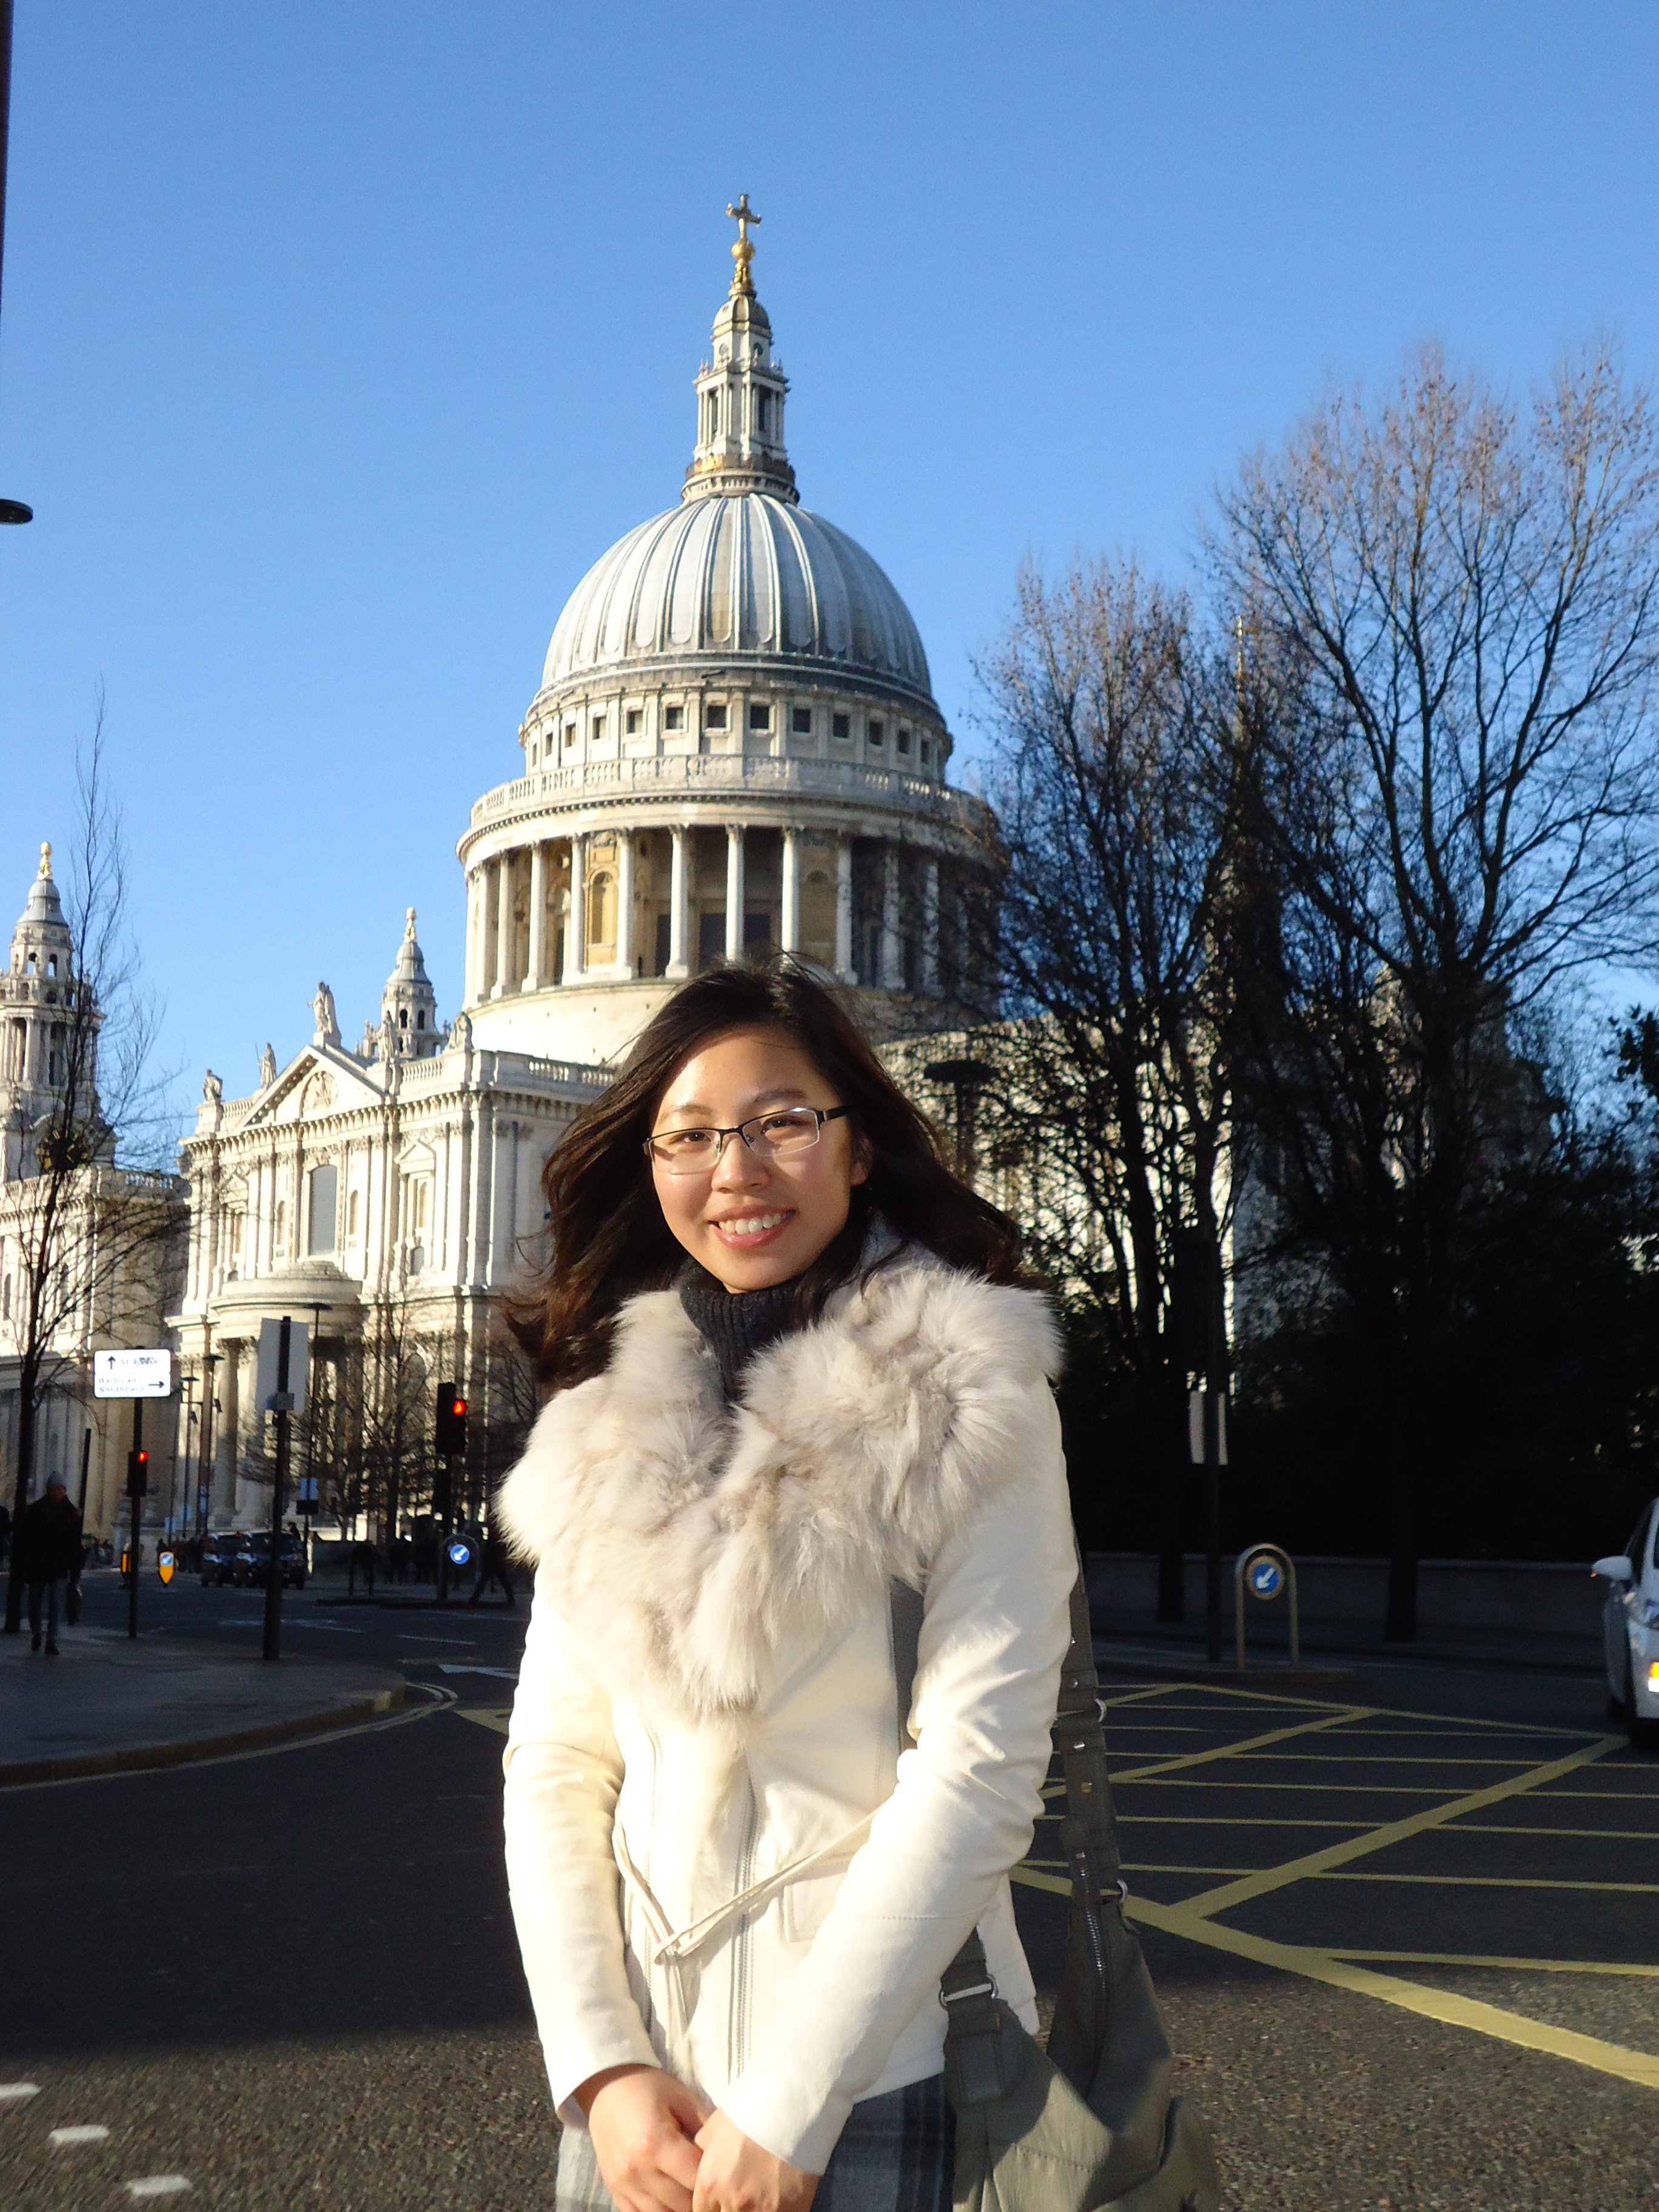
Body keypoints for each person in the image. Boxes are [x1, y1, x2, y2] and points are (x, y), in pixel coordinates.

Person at [497, 962, 1073, 2212]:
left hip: (881, 2082)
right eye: (691, 1135)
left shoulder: (972, 1390)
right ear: (650, 1163)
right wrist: (599, 2065)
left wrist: (789, 2106)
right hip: (644, 2110)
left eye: (781, 1123)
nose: (736, 1170)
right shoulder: (600, 1419)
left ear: (858, 1149)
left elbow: (978, 1770)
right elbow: (556, 1761)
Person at [24, 1474, 84, 1657]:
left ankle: (51, 1639)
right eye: (53, 1489)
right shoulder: (37, 1510)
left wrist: (75, 1571)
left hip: (58, 1565)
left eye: (59, 1489)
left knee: (55, 1602)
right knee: (35, 1603)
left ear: (64, 1491)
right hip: (39, 1563)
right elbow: (27, 1539)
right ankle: (37, 1633)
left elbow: (75, 1544)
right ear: (48, 1490)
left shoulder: (70, 1514)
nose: (56, 1492)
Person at [466, 1524, 516, 1609]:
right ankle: (511, 1599)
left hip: (493, 1560)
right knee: (501, 1580)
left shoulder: (494, 1538)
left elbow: (492, 1548)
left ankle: (474, 1599)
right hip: (495, 1560)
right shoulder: (498, 1537)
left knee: (485, 1581)